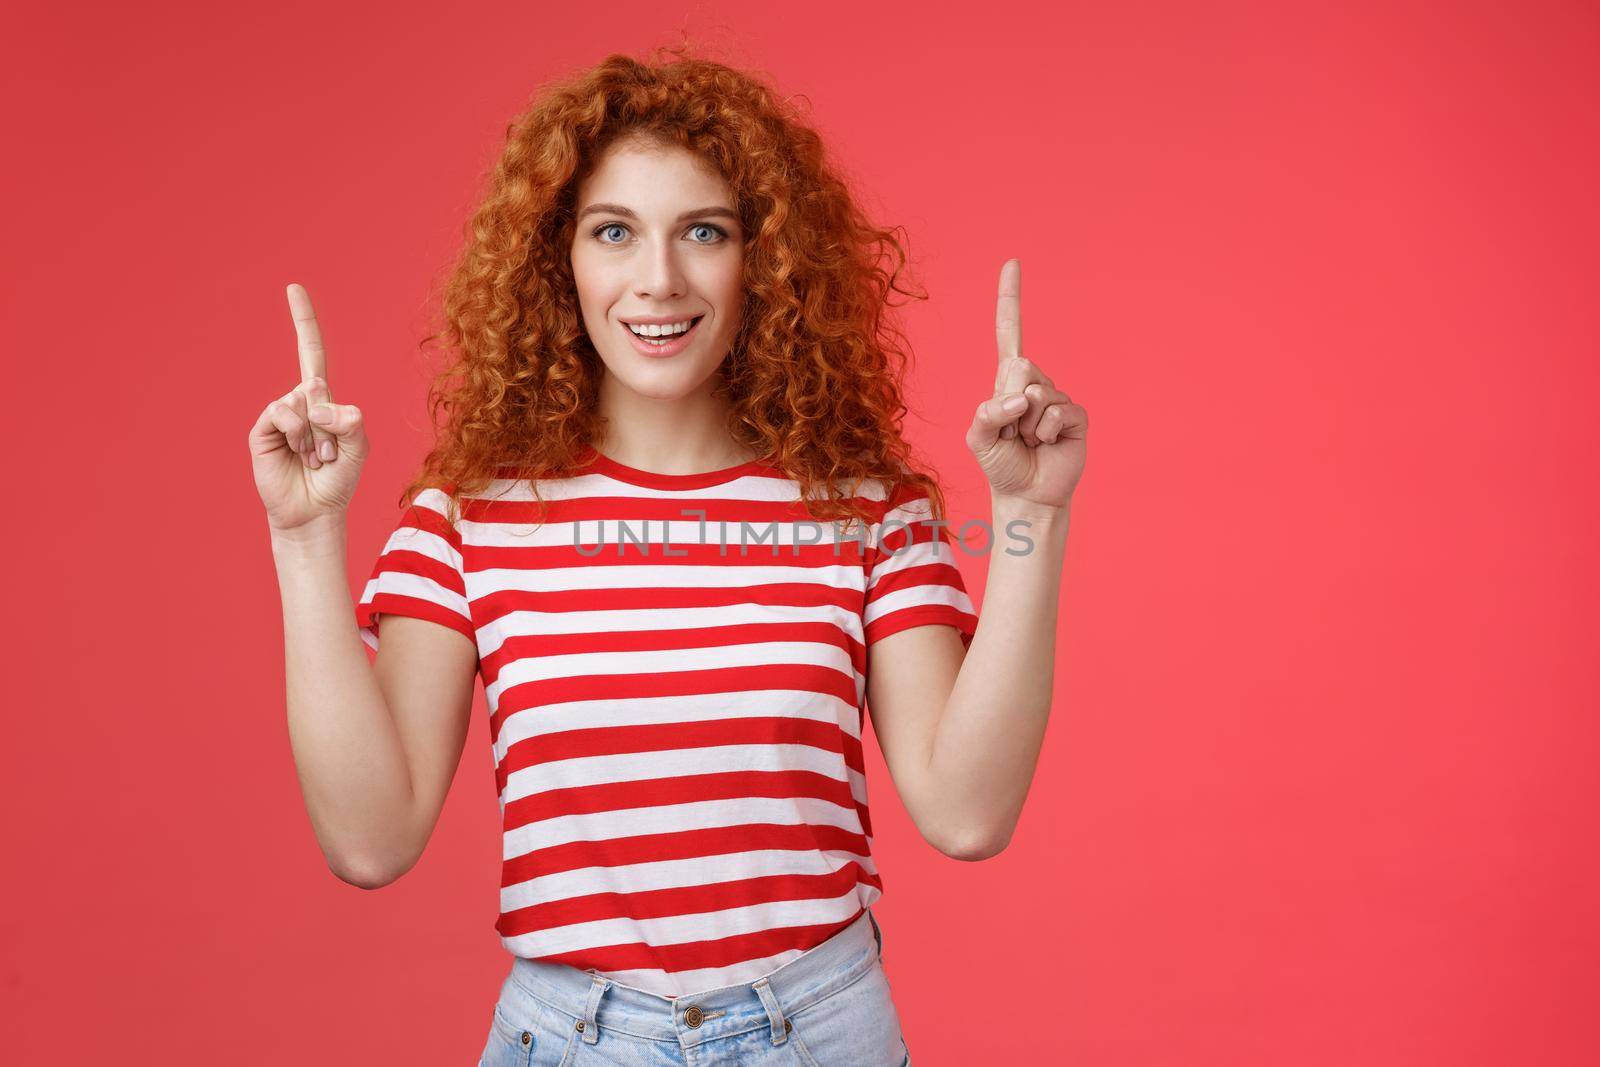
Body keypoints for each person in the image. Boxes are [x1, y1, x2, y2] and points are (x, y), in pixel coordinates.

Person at [250, 46, 1085, 1067]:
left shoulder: (869, 509)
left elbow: (967, 812)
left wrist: (1029, 515)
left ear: (764, 263)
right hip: (564, 1038)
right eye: (614, 232)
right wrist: (303, 536)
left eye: (703, 231)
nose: (659, 279)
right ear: (560, 259)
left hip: (819, 1032)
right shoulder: (467, 520)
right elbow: (369, 841)